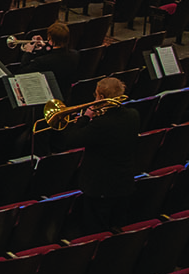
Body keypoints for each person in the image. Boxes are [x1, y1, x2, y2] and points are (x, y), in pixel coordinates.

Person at [52, 77, 141, 232]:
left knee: (97, 232)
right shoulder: (133, 115)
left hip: (101, 187)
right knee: (117, 227)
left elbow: (71, 140)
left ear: (100, 97)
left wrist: (85, 118)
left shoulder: (101, 124)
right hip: (124, 183)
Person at [17, 22, 80, 95]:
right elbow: (55, 53)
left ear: (50, 38)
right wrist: (45, 46)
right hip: (64, 92)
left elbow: (21, 72)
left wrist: (28, 52)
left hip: (48, 93)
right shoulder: (75, 54)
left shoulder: (42, 61)